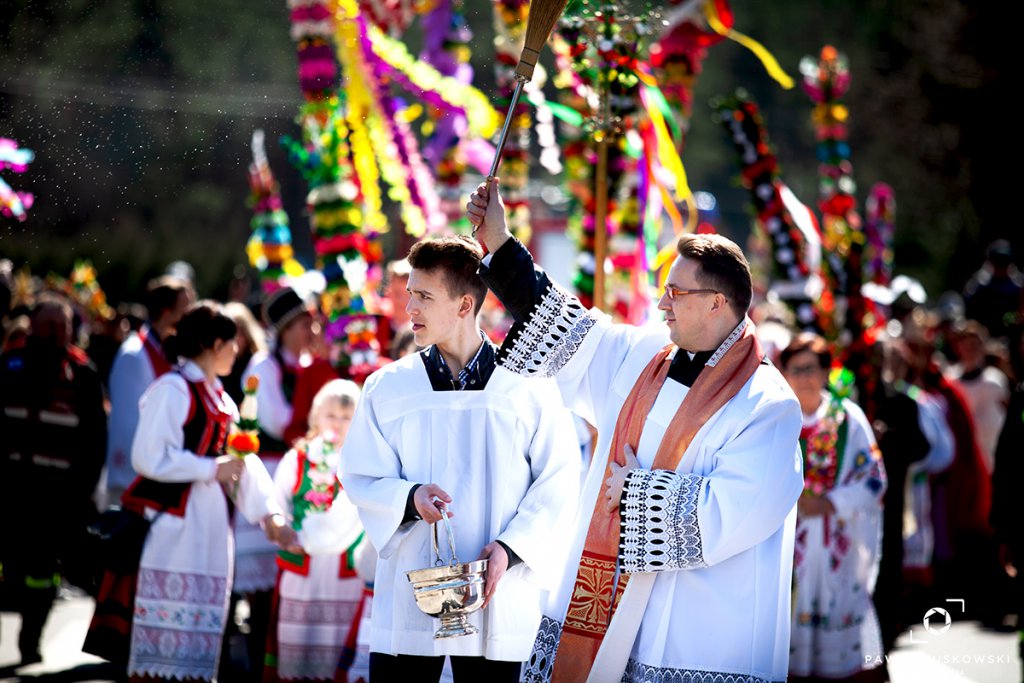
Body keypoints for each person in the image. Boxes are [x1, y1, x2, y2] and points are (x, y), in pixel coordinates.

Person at [468, 181, 805, 682]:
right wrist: (498, 240)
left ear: (717, 302)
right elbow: (560, 324)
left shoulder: (767, 405)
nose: (663, 304)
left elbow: (736, 512)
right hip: (604, 609)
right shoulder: (642, 356)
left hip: (696, 636)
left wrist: (635, 491)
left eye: (677, 293)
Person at [339, 236, 579, 682]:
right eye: (410, 293)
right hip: (412, 586)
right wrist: (410, 498)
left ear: (465, 305)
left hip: (499, 589)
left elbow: (560, 480)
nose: (409, 307)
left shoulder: (528, 387)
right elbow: (360, 473)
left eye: (424, 296)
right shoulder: (388, 387)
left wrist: (511, 549)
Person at [83, 301, 297, 681]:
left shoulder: (220, 398)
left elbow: (242, 463)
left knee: (198, 637)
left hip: (209, 524)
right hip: (171, 525)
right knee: (164, 639)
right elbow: (148, 456)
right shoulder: (173, 388)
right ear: (215, 345)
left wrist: (270, 514)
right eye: (232, 343)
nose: (237, 350)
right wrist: (210, 468)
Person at [0, 293, 107, 667]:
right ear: (32, 326)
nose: (56, 333)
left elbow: (95, 441)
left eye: (62, 327)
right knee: (13, 564)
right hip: (11, 488)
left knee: (43, 571)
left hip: (57, 496)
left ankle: (31, 639)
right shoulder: (8, 366)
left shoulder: (83, 374)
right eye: (48, 325)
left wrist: (83, 492)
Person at [778, 334, 887, 681]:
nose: (804, 377)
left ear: (826, 372)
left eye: (812, 368)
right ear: (784, 374)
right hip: (788, 549)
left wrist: (830, 503)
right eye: (796, 369)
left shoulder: (848, 419)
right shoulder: (776, 417)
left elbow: (874, 478)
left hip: (838, 546)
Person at [264, 379, 369, 683]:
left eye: (346, 417)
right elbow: (277, 502)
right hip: (302, 568)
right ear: (315, 417)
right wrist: (281, 527)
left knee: (339, 645)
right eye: (330, 415)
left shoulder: (363, 462)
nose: (337, 423)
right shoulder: (297, 459)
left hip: (345, 571)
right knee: (299, 647)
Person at [237, 286, 318, 676]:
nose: (311, 331)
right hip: (268, 474)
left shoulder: (306, 364)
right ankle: (256, 665)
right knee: (264, 589)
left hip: (299, 474)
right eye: (304, 324)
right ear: (285, 329)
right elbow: (278, 421)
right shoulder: (264, 367)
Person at [103, 275, 194, 507]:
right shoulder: (133, 355)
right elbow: (127, 425)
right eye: (185, 309)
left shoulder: (171, 354)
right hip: (132, 483)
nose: (190, 317)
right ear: (166, 312)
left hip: (157, 479)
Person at [946, 319, 1010, 474]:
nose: (971, 351)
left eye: (975, 345)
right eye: (966, 346)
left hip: (993, 460)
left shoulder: (996, 381)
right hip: (960, 464)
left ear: (982, 347)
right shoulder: (950, 381)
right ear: (958, 347)